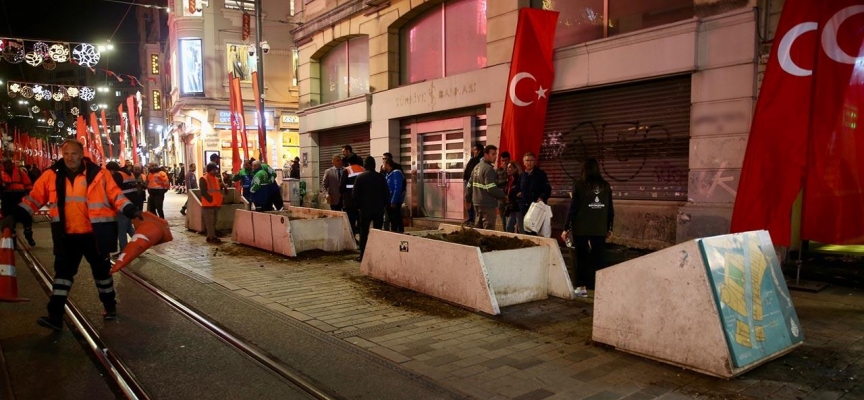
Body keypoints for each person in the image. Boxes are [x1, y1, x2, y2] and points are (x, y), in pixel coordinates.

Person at [10, 139, 141, 331]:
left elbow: (116, 196)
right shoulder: (51, 175)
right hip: (66, 236)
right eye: (66, 154)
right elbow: (34, 198)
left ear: (81, 155)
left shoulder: (99, 174)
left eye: (74, 154)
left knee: (102, 275)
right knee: (62, 276)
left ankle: (109, 305)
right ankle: (55, 316)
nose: (70, 158)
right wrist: (15, 216)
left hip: (94, 234)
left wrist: (130, 210)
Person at [562, 158, 615, 296]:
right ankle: (601, 288)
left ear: (584, 169)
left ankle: (581, 288)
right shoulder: (606, 186)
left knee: (581, 258)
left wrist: (566, 227)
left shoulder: (579, 185)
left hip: (581, 228)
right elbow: (610, 209)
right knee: (599, 258)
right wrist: (610, 228)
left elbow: (573, 208)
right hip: (599, 228)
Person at [352, 156, 389, 262]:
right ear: (374, 165)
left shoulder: (360, 177)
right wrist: (382, 205)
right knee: (377, 232)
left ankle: (363, 255)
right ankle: (377, 254)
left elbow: (355, 195)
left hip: (365, 210)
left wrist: (359, 206)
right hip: (378, 209)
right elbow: (386, 193)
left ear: (365, 165)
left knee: (363, 233)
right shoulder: (380, 177)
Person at [465, 145, 507, 230]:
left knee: (479, 229)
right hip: (487, 204)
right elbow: (491, 188)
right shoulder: (488, 169)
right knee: (488, 231)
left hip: (477, 203)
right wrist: (504, 196)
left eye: (496, 154)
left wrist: (468, 199)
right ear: (486, 155)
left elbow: (469, 185)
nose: (495, 157)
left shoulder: (476, 167)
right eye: (493, 154)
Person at [106, 161, 142, 255]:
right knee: (129, 227)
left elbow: (113, 190)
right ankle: (140, 245)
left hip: (123, 205)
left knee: (121, 228)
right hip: (132, 205)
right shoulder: (129, 174)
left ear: (112, 170)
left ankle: (124, 250)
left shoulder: (117, 175)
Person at [0, 157, 35, 246]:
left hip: (20, 199)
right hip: (7, 200)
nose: (6, 166)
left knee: (26, 218)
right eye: (4, 164)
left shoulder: (20, 172)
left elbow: (28, 185)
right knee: (10, 222)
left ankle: (29, 236)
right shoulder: (1, 174)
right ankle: (13, 243)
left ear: (11, 163)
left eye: (7, 164)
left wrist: (28, 197)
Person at [518, 152, 552, 234]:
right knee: (525, 231)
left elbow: (547, 189)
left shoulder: (541, 174)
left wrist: (542, 197)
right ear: (524, 162)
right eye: (527, 160)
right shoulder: (522, 175)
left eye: (531, 160)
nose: (529, 162)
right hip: (524, 208)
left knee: (534, 231)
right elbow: (518, 188)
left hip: (536, 208)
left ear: (535, 161)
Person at [200, 162, 227, 244]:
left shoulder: (216, 179)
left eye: (216, 169)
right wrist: (210, 199)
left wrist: (221, 197)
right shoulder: (203, 178)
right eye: (214, 170)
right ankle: (212, 237)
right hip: (208, 204)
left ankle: (210, 236)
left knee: (213, 222)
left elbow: (218, 190)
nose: (215, 171)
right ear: (209, 170)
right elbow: (203, 192)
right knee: (209, 222)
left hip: (216, 204)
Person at [340, 154, 364, 237]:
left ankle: (353, 241)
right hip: (361, 200)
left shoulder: (346, 170)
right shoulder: (363, 169)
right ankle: (363, 241)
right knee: (361, 222)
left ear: (348, 161)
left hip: (349, 200)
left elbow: (342, 186)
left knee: (351, 222)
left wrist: (342, 195)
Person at [462, 143, 484, 225]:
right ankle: (470, 217)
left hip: (474, 183)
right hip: (468, 181)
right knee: (468, 199)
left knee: (473, 201)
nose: (473, 151)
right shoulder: (473, 159)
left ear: (479, 151)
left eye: (475, 150)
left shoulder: (480, 160)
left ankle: (475, 218)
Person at [383, 159, 405, 233]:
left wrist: (393, 201)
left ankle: (400, 233)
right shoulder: (388, 175)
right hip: (389, 201)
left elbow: (397, 188)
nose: (383, 166)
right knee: (392, 220)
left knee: (396, 219)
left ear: (387, 165)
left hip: (394, 202)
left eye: (384, 164)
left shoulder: (396, 173)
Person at [503, 161, 523, 233]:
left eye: (510, 167)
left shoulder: (520, 179)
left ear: (516, 169)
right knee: (508, 227)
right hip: (510, 205)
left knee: (520, 228)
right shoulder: (509, 179)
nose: (508, 169)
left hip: (517, 206)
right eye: (507, 167)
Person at [496, 151, 511, 231]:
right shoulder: (498, 171)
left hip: (510, 197)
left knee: (510, 218)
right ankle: (505, 231)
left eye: (506, 160)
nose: (504, 162)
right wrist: (505, 180)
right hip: (501, 197)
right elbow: (496, 183)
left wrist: (507, 170)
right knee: (503, 217)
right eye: (502, 160)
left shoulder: (512, 169)